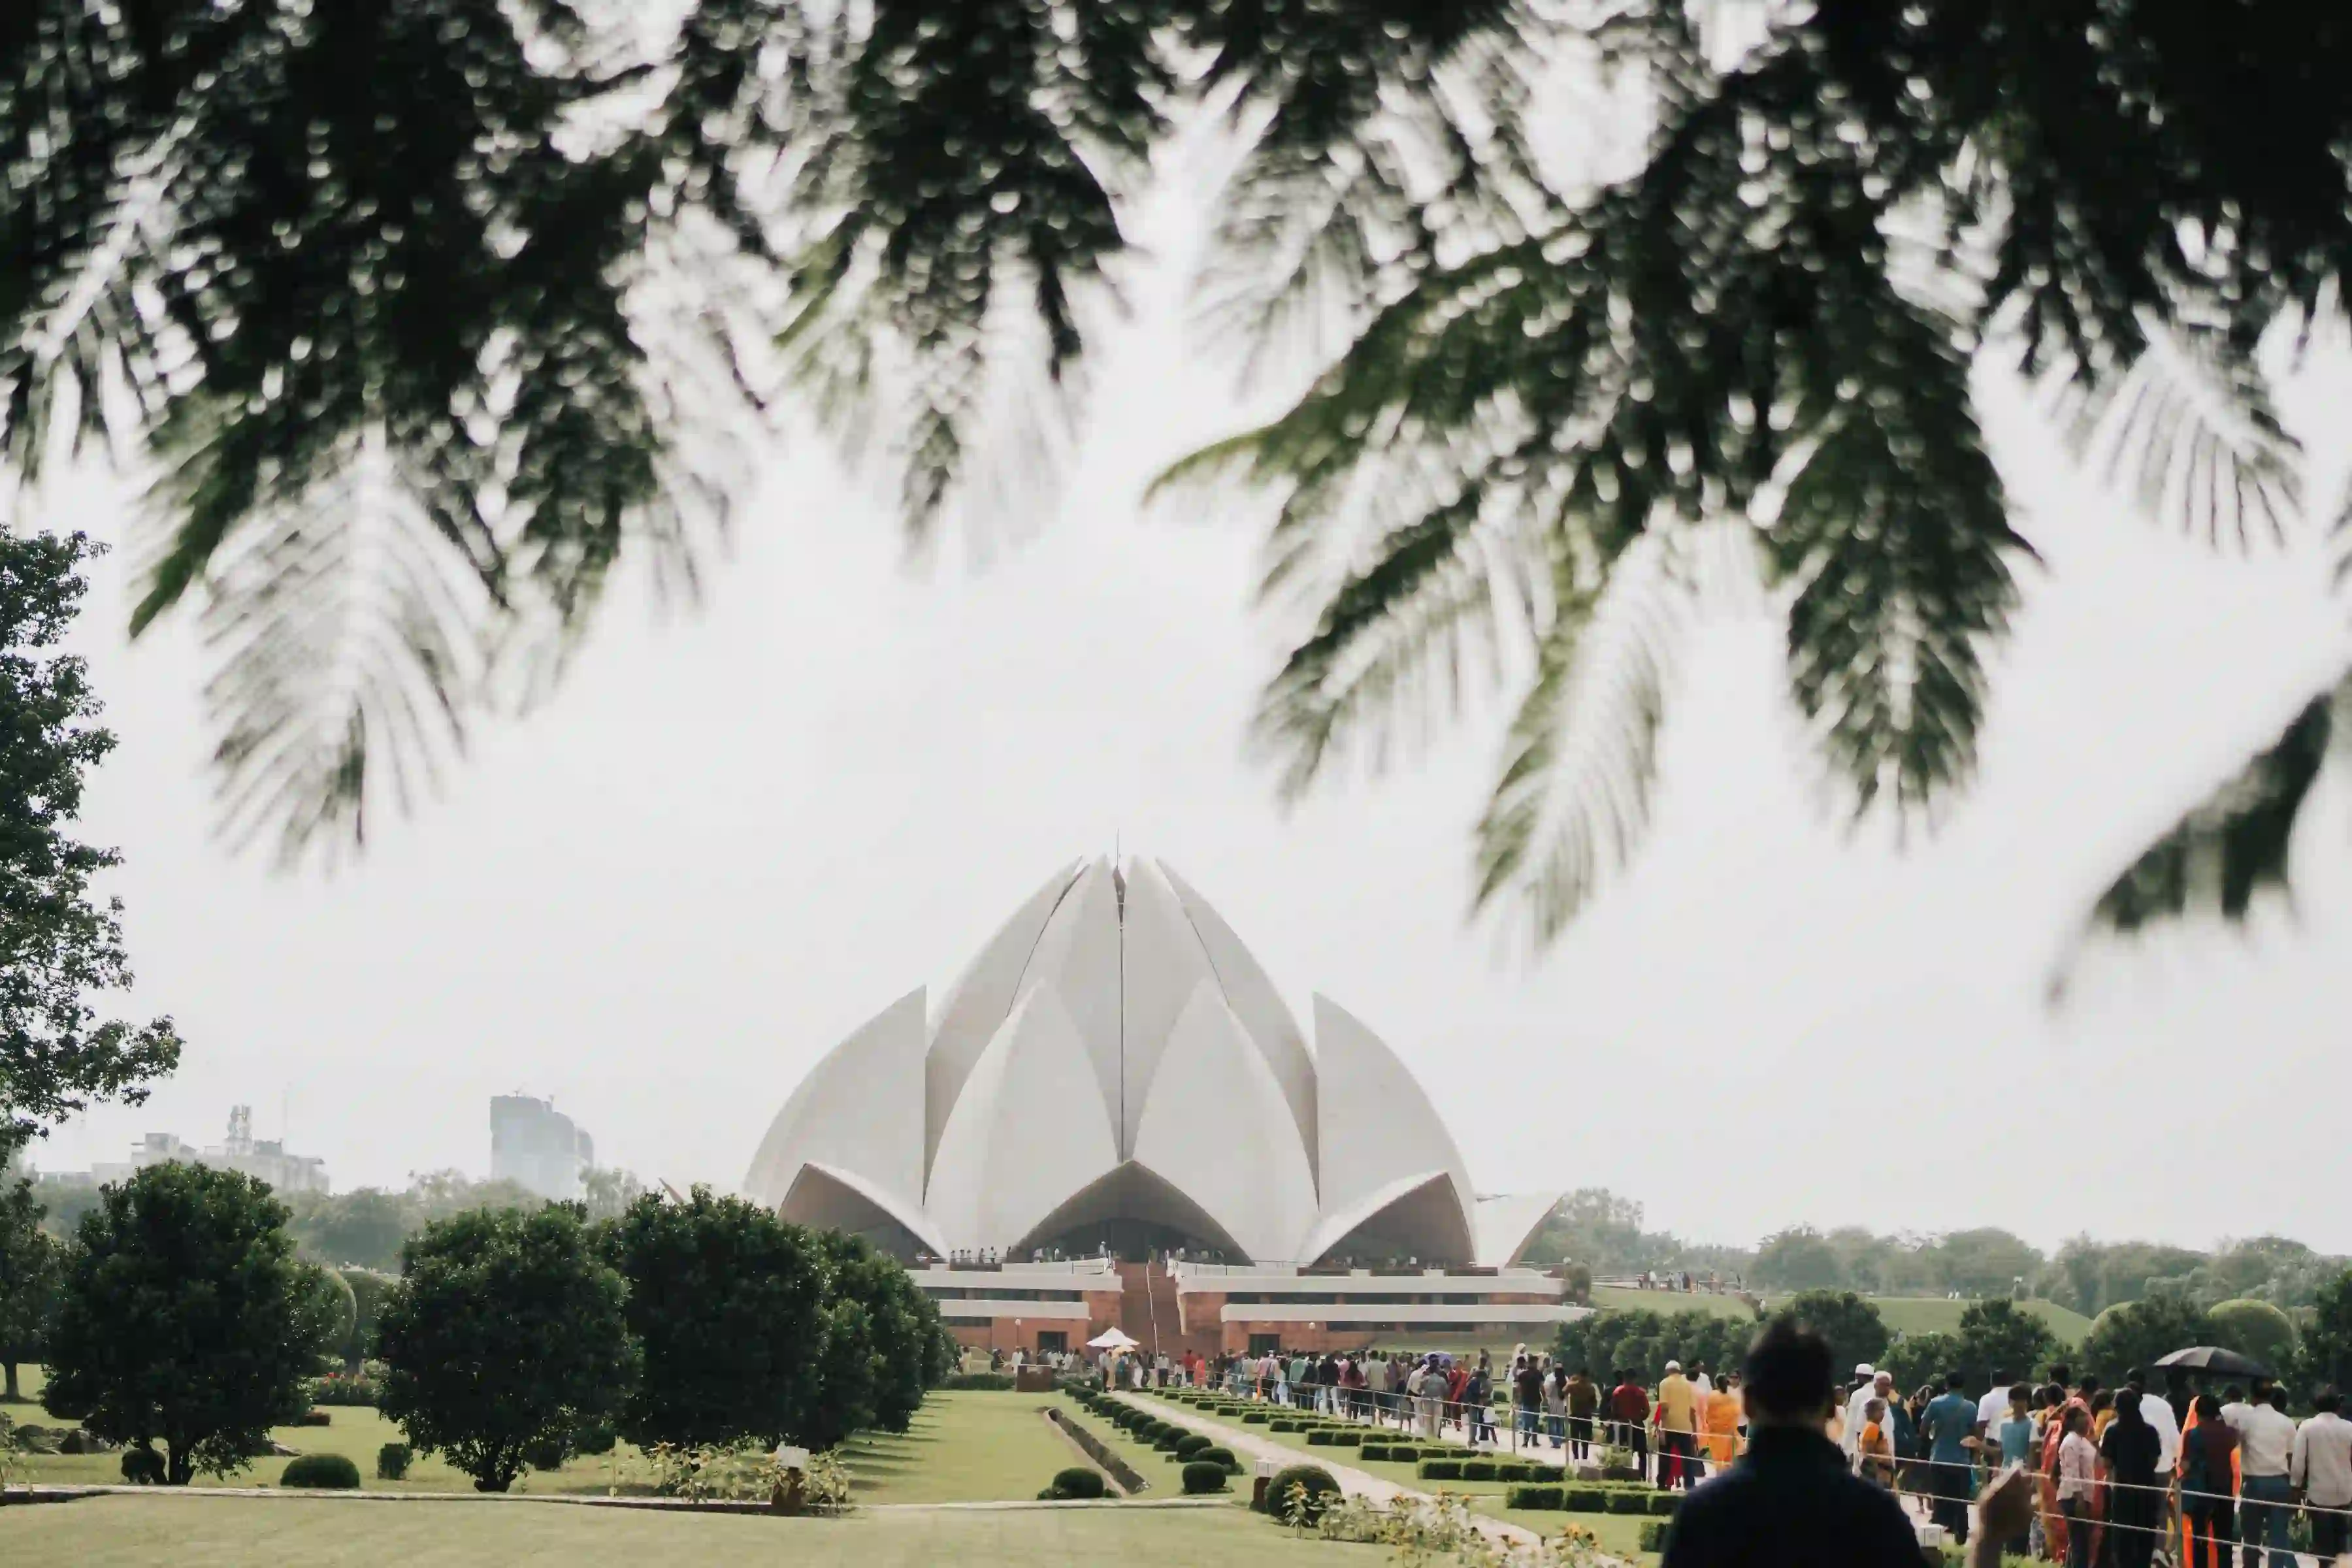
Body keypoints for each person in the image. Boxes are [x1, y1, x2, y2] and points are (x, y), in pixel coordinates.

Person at [1661, 1318, 2028, 1568]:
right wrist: (1987, 1539)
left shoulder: (1704, 1516)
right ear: (1827, 1405)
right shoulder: (1873, 1516)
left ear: (1750, 1403)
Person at [2229, 1383, 2296, 1568]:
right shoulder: (2287, 1422)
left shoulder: (2245, 1419)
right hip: (2281, 1483)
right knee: (2278, 1536)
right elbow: (2291, 1458)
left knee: (2251, 1536)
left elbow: (2233, 1443)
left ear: (2253, 1397)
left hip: (2254, 1483)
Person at [2101, 1378, 2164, 1568]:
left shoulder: (2113, 1431)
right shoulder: (2150, 1431)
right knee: (2145, 1534)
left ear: (2116, 1407)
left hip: (2123, 1489)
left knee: (2123, 1537)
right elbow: (2155, 1460)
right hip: (2147, 1488)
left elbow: (2107, 1462)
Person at [2291, 1386, 2352, 1563]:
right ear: (2338, 1406)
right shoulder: (2349, 1427)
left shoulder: (2307, 1427)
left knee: (2322, 1545)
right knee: (2342, 1545)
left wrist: (2296, 1487)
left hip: (2318, 1495)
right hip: (2344, 1493)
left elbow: (2298, 1462)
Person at [2179, 1392, 2240, 1568]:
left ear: (2197, 1413)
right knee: (2224, 1541)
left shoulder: (2193, 1435)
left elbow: (2186, 1465)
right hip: (2224, 1490)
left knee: (2200, 1539)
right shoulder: (2230, 1433)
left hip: (2201, 1493)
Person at [1921, 1370, 1980, 1545]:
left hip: (1939, 1457)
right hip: (1961, 1461)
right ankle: (1961, 1538)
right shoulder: (1970, 1407)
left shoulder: (1935, 1403)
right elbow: (1975, 1433)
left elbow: (1923, 1429)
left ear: (1946, 1385)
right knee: (1960, 1500)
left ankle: (1937, 1545)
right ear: (1963, 1386)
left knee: (1940, 1500)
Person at [2055, 1406, 2099, 1568]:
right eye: (2083, 1417)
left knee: (2078, 1541)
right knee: (2079, 1543)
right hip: (2073, 1497)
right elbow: (2072, 1473)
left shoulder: (2082, 1441)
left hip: (2084, 1496)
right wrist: (2079, 1499)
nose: (2087, 1420)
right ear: (2073, 1421)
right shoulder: (2071, 1442)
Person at [1659, 1360, 1703, 1490]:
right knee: (1687, 1460)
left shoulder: (1665, 1384)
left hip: (1670, 1426)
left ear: (1668, 1371)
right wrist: (1694, 1431)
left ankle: (1663, 1485)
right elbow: (1692, 1411)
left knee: (1665, 1458)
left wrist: (1662, 1429)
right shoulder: (1688, 1385)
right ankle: (1689, 1486)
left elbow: (1665, 1408)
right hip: (1686, 1428)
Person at [1612, 1368, 1652, 1479]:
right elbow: (1647, 1410)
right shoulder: (1640, 1392)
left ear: (1624, 1378)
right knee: (1642, 1454)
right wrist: (1640, 1418)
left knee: (1624, 1453)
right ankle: (1642, 1476)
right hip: (1637, 1425)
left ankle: (1624, 1476)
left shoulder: (1618, 1392)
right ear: (1635, 1379)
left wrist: (1619, 1418)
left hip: (1623, 1426)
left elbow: (1613, 1410)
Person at [1702, 1371, 1742, 1471]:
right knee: (1728, 1460)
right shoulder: (1732, 1398)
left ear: (1716, 1384)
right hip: (1729, 1433)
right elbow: (1736, 1414)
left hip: (1716, 1434)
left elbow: (1706, 1413)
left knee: (1718, 1459)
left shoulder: (1712, 1396)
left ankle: (1720, 1477)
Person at [1857, 1397, 1896, 1488]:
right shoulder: (1872, 1428)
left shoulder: (1873, 1426)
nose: (1883, 1413)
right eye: (1880, 1410)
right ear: (1872, 1411)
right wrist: (1879, 1471)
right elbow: (1869, 1454)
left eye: (1884, 1410)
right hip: (1877, 1473)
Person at [1569, 1365, 1599, 1460]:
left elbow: (1562, 1393)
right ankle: (1584, 1458)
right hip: (1586, 1416)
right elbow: (1594, 1403)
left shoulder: (1572, 1386)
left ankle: (1576, 1457)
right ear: (1587, 1376)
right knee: (1585, 1440)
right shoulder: (1590, 1388)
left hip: (1575, 1415)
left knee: (1575, 1439)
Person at [1514, 1354, 1544, 1446]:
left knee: (1527, 1422)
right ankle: (1534, 1441)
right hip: (1536, 1400)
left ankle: (1526, 1441)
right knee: (1535, 1422)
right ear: (1534, 1362)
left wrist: (1518, 1398)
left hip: (1526, 1400)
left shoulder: (1523, 1375)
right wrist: (1545, 1397)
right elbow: (1542, 1387)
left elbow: (1518, 1388)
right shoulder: (1538, 1374)